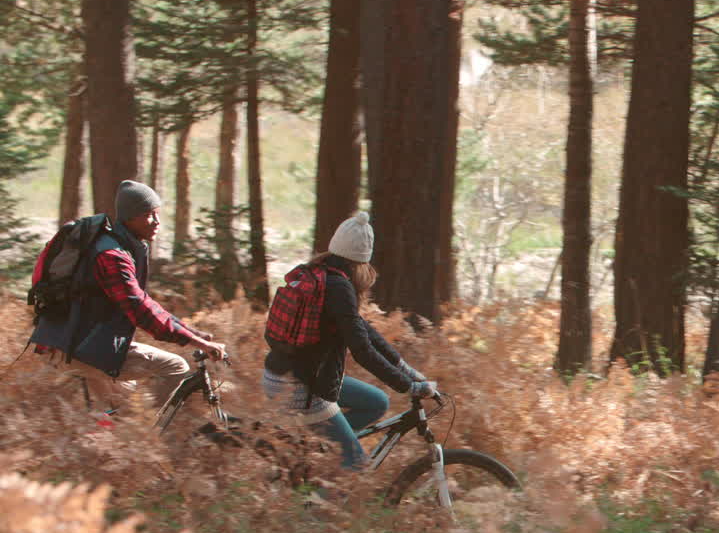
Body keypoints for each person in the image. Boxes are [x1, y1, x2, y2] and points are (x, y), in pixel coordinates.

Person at [30, 180, 228, 413]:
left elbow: (145, 303)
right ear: (130, 217)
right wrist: (199, 343)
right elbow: (140, 310)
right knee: (175, 366)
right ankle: (152, 437)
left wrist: (193, 333)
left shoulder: (119, 246)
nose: (157, 222)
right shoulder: (112, 256)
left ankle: (101, 442)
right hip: (77, 346)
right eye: (149, 215)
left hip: (73, 342)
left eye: (157, 214)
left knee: (126, 408)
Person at [261, 212, 436, 470]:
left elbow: (363, 330)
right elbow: (362, 350)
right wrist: (408, 387)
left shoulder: (320, 273)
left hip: (292, 374)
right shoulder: (339, 288)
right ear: (363, 260)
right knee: (355, 465)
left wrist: (408, 372)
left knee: (376, 402)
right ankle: (316, 501)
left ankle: (319, 449)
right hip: (300, 388)